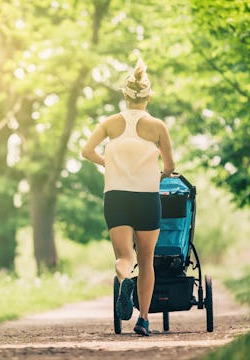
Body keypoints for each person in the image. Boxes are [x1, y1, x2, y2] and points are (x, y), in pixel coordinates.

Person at [81, 58, 175, 336]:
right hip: (147, 197)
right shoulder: (157, 126)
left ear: (125, 95)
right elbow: (169, 167)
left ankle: (125, 278)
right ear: (149, 96)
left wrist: (108, 163)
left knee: (125, 256)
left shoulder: (110, 123)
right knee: (146, 260)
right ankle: (143, 319)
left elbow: (86, 151)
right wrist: (160, 173)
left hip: (117, 196)